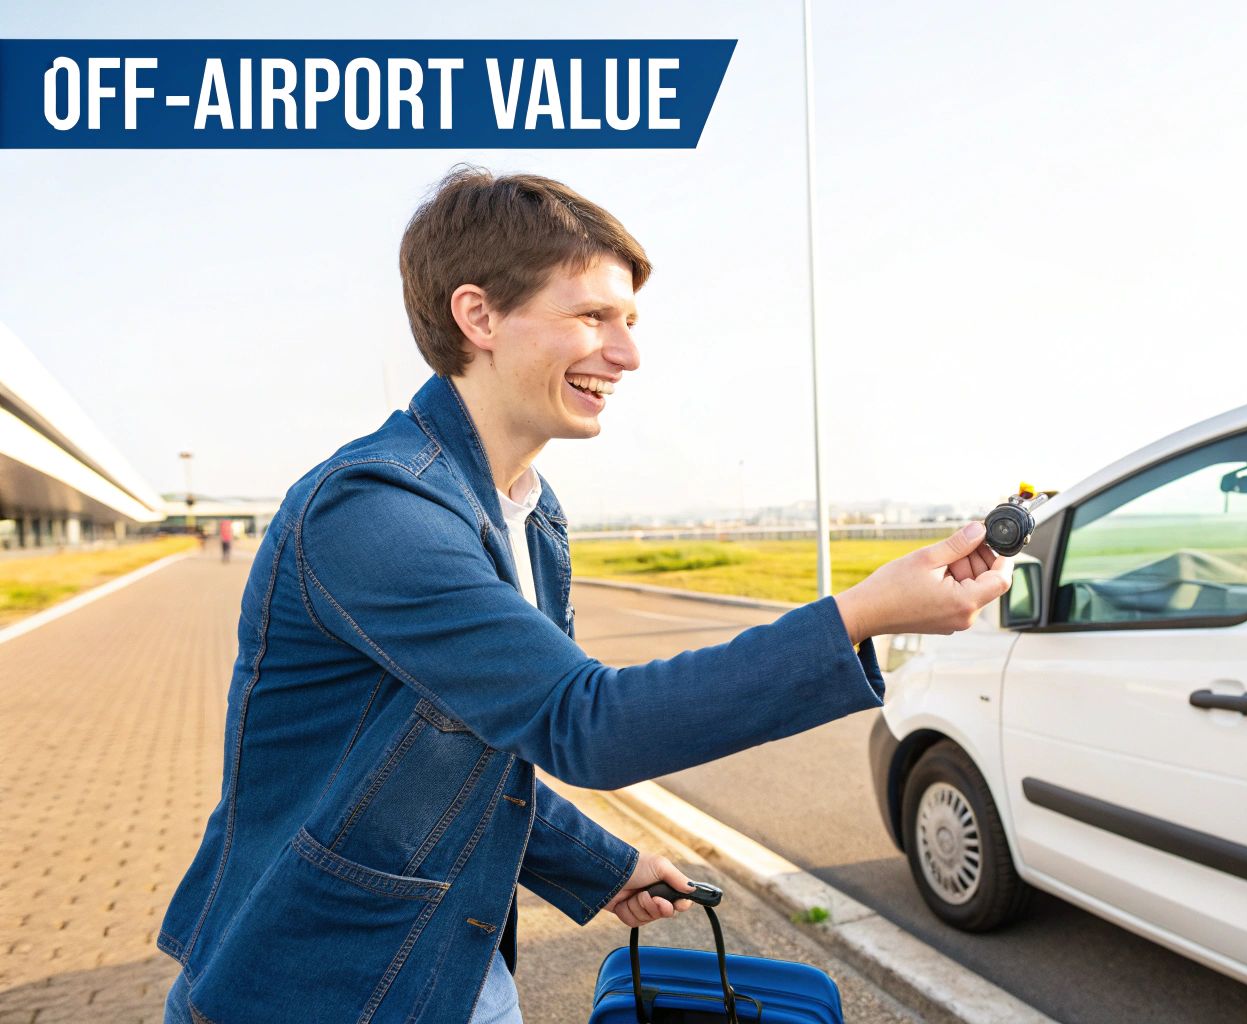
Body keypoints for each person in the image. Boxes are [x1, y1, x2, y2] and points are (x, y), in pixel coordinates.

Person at [156, 167, 1012, 1023]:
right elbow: (586, 720)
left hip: (451, 973)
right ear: (478, 316)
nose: (627, 354)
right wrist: (861, 615)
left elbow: (482, 753)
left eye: (630, 321)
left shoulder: (530, 512)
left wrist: (601, 865)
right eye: (592, 316)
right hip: (314, 986)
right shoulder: (374, 512)